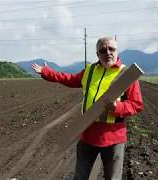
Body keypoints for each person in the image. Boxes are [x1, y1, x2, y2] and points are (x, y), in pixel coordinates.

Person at [31, 37, 143, 180]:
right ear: (97, 54)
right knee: (80, 176)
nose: (107, 53)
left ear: (117, 51)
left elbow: (136, 104)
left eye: (111, 49)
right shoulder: (89, 71)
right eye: (102, 50)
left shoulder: (127, 74)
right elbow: (69, 79)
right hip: (88, 133)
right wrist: (47, 72)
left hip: (114, 138)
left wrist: (117, 107)